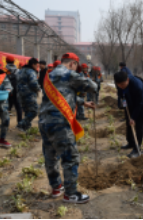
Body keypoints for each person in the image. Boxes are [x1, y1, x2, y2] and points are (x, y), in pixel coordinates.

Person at [38, 52, 97, 203]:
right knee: (70, 158)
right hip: (60, 124)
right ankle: (70, 194)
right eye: (76, 67)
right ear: (72, 64)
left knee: (50, 156)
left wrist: (83, 103)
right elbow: (92, 86)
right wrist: (88, 77)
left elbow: (61, 96)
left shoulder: (48, 76)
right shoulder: (71, 74)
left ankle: (56, 187)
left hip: (44, 122)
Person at [115, 71, 143, 158]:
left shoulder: (137, 86)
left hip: (142, 105)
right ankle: (131, 142)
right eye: (119, 85)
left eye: (123, 84)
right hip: (130, 103)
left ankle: (137, 148)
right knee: (128, 123)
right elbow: (121, 94)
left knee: (138, 125)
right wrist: (124, 102)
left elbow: (139, 104)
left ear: (128, 80)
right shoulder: (119, 83)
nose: (121, 86)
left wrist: (133, 117)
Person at [16, 58, 41, 132]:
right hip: (29, 94)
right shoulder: (31, 71)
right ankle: (21, 124)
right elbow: (33, 84)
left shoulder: (20, 71)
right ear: (33, 64)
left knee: (27, 111)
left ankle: (26, 127)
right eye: (37, 65)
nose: (37, 67)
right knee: (34, 111)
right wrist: (38, 88)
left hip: (20, 94)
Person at [6, 55, 22, 123]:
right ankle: (20, 123)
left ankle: (5, 123)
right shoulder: (18, 70)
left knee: (6, 108)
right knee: (18, 108)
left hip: (7, 91)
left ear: (6, 61)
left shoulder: (4, 70)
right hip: (16, 91)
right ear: (14, 62)